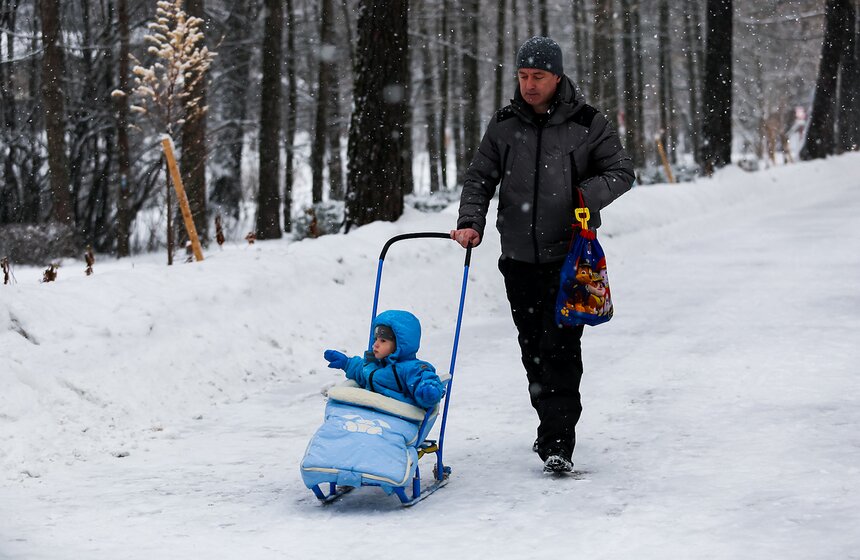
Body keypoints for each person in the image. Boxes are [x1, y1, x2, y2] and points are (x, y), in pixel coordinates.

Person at [450, 36, 635, 473]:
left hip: (569, 257)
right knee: (532, 347)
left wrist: (583, 196)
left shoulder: (587, 123)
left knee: (560, 348)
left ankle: (558, 441)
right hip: (516, 257)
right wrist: (471, 222)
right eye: (523, 76)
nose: (529, 85)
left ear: (557, 77)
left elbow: (622, 171)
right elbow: (480, 178)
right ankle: (547, 424)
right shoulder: (504, 124)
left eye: (539, 76)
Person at [323, 309, 445, 410]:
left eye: (383, 341)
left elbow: (424, 377)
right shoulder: (374, 365)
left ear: (399, 345)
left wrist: (427, 390)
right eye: (375, 339)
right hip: (371, 414)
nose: (375, 344)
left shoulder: (411, 368)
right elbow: (361, 371)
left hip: (398, 415)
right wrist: (347, 363)